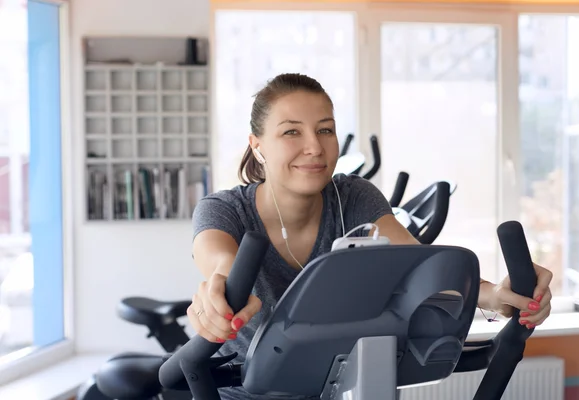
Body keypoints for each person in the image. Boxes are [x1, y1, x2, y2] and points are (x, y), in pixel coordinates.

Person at [189, 73, 553, 399]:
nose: (314, 146)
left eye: (325, 129)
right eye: (291, 131)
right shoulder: (224, 210)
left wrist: (495, 296)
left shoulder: (353, 197)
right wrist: (217, 294)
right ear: (257, 145)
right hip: (242, 393)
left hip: (337, 387)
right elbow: (221, 264)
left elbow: (416, 262)